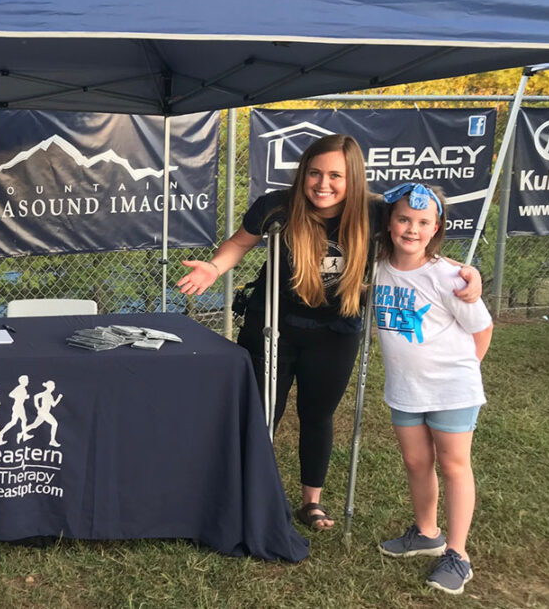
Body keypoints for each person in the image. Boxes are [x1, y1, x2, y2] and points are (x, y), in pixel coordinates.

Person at [176, 134, 482, 531]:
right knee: (261, 414)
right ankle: (251, 496)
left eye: (335, 175)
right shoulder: (277, 208)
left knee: (317, 415)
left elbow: (414, 242)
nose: (324, 184)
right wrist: (214, 268)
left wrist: (462, 270)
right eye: (315, 173)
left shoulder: (375, 213)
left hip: (337, 330)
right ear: (303, 174)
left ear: (352, 177)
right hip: (273, 327)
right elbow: (240, 242)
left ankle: (311, 503)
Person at [373, 183, 492, 595]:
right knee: (415, 460)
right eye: (403, 219)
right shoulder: (378, 267)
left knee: (454, 464)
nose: (412, 229)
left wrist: (461, 374)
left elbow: (482, 329)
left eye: (423, 222)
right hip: (405, 389)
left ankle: (457, 554)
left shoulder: (451, 277)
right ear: (388, 223)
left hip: (452, 390)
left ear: (436, 227)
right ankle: (427, 532)